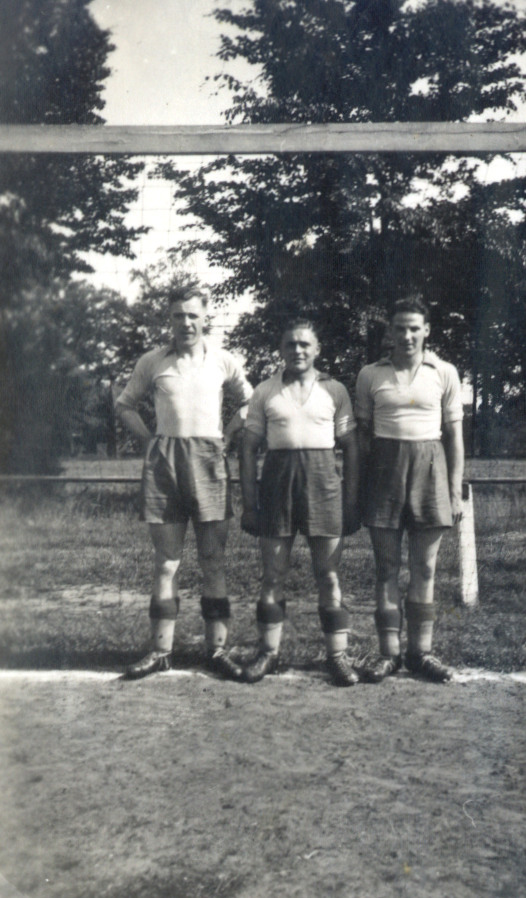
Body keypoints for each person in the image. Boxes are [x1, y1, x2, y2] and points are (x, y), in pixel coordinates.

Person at [115, 285, 253, 680]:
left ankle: (217, 650)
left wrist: (228, 436)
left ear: (205, 317)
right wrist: (150, 442)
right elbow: (124, 404)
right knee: (166, 562)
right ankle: (161, 651)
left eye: (193, 315)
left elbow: (251, 401)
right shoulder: (152, 361)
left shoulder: (223, 360)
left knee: (213, 559)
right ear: (170, 319)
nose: (186, 322)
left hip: (209, 460)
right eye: (178, 315)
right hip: (165, 462)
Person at [240, 318, 360, 687]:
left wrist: (351, 501)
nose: (297, 350)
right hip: (277, 485)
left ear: (317, 349)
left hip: (323, 486)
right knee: (273, 573)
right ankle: (268, 653)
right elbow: (248, 448)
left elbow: (351, 449)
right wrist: (249, 504)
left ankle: (337, 656)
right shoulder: (265, 391)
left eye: (305, 344)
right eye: (290, 344)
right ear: (280, 349)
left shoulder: (334, 390)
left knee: (328, 574)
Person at [355, 296, 464, 683]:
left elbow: (454, 437)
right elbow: (362, 438)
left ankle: (421, 654)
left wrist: (454, 491)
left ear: (426, 330)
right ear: (390, 330)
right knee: (386, 568)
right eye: (400, 328)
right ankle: (389, 654)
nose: (406, 335)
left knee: (425, 568)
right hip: (384, 473)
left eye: (414, 328)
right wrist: (358, 488)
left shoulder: (444, 372)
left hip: (429, 470)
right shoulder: (370, 374)